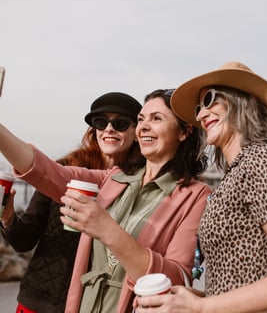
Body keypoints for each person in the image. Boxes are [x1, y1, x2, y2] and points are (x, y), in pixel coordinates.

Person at [133, 62, 267, 313]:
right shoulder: (237, 171)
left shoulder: (262, 161)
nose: (202, 114)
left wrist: (201, 308)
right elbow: (247, 279)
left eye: (211, 99)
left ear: (242, 102)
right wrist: (197, 299)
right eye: (198, 107)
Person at [0, 89, 212, 313]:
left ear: (184, 132)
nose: (144, 126)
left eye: (156, 118)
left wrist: (107, 230)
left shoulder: (196, 196)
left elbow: (176, 279)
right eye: (141, 119)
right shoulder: (113, 178)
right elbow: (44, 170)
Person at [0, 91, 144, 313]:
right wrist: (7, 216)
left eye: (121, 123)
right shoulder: (62, 171)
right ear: (93, 129)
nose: (109, 129)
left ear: (137, 132)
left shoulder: (141, 184)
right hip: (40, 302)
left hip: (97, 305)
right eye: (101, 122)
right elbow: (24, 240)